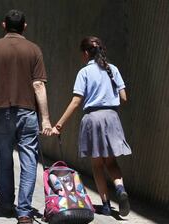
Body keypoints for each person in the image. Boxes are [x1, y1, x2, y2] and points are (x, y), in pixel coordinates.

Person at [0, 9, 53, 224]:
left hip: (1, 113)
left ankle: (7, 203)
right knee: (29, 161)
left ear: (4, 25)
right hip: (28, 113)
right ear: (24, 27)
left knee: (4, 159)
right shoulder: (34, 50)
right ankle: (25, 212)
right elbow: (39, 85)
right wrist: (45, 118)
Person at [51, 36, 131, 217]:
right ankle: (120, 188)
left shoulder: (84, 72)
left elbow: (76, 101)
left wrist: (60, 125)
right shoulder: (113, 69)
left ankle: (106, 206)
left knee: (97, 165)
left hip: (93, 119)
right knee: (111, 162)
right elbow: (124, 97)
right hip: (111, 117)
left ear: (86, 53)